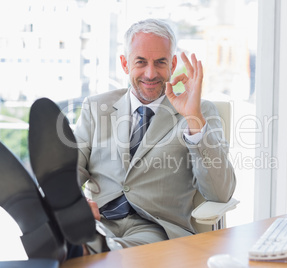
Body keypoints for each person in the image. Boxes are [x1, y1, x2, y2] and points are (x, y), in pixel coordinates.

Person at [75, 18, 236, 253]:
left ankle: (88, 249)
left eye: (160, 63)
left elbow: (220, 192)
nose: (150, 74)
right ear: (124, 63)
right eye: (141, 62)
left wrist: (193, 118)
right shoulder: (96, 107)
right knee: (65, 240)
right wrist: (74, 204)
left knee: (92, 252)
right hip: (98, 222)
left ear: (172, 64)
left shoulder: (199, 112)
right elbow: (70, 171)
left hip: (155, 230)